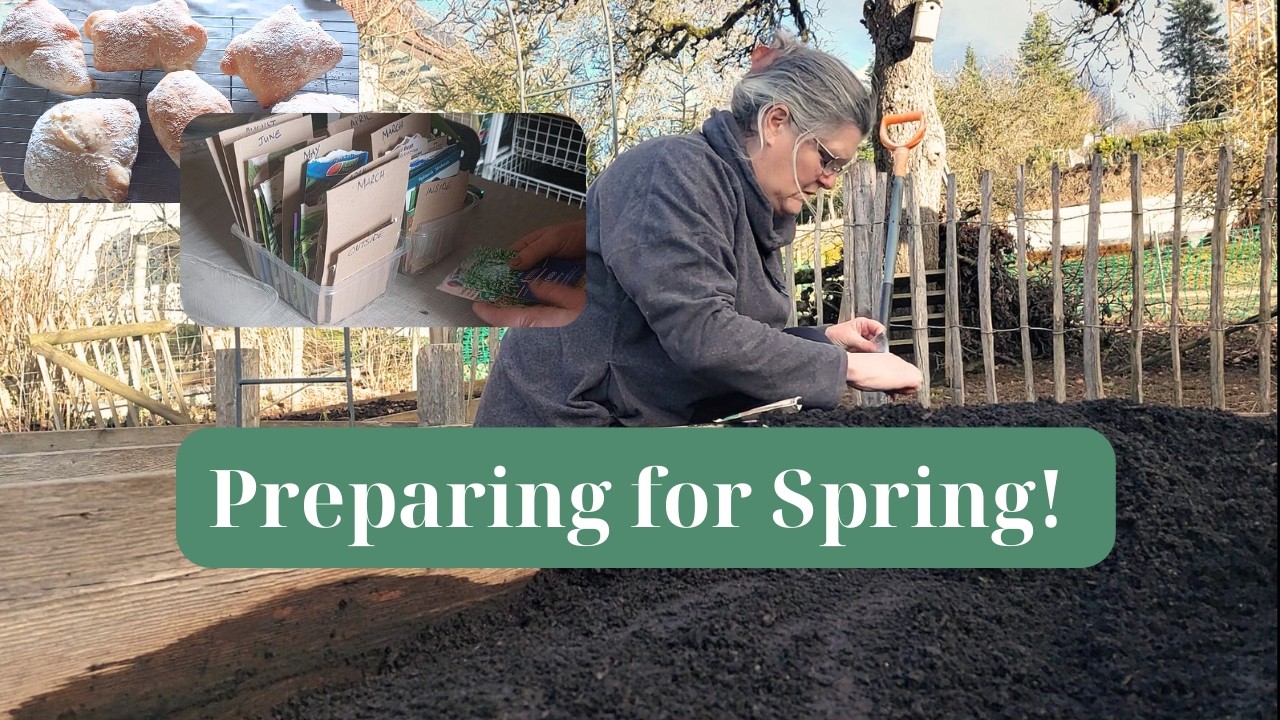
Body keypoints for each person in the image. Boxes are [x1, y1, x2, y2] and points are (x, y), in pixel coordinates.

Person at [473, 34, 923, 427]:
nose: (829, 181)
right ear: (776, 122)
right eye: (827, 159)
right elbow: (702, 335)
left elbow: (715, 338)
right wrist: (845, 367)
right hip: (556, 423)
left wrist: (822, 341)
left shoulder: (746, 203)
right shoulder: (672, 173)